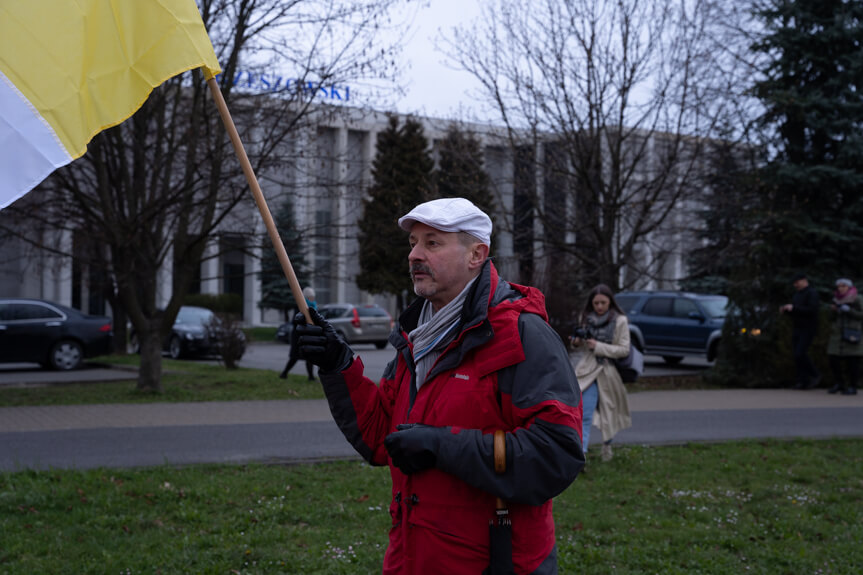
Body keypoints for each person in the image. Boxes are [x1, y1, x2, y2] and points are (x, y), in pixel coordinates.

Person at [293, 197, 584, 574]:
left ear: (476, 254)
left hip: (493, 563)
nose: (414, 254)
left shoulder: (523, 335)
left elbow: (555, 456)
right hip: (412, 559)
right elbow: (383, 438)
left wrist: (441, 444)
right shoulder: (417, 335)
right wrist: (338, 364)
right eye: (413, 242)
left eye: (432, 243)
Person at [571, 284, 632, 462]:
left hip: (609, 371)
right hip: (587, 371)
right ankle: (581, 453)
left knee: (610, 413)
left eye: (603, 303)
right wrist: (576, 342)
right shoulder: (585, 318)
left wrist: (598, 346)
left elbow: (624, 349)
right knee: (585, 413)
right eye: (596, 303)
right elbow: (580, 345)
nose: (599, 306)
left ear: (610, 302)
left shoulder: (620, 320)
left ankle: (607, 447)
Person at [780, 272, 821, 389]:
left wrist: (794, 308)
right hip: (798, 327)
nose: (795, 285)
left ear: (804, 280)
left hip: (808, 328)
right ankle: (802, 381)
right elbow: (797, 311)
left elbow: (812, 310)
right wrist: (787, 311)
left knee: (800, 353)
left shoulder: (812, 293)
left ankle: (814, 374)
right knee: (797, 355)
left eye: (797, 282)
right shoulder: (798, 294)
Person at [826, 278, 861, 395]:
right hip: (838, 335)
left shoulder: (857, 298)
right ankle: (839, 383)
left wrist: (850, 310)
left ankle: (853, 386)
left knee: (852, 362)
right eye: (839, 286)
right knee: (833, 358)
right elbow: (830, 318)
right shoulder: (836, 299)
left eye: (843, 286)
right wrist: (834, 310)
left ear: (849, 287)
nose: (841, 288)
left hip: (853, 334)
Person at [279, 286, 317, 381]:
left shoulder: (313, 306)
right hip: (299, 336)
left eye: (313, 297)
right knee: (295, 357)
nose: (313, 299)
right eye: (311, 297)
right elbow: (295, 321)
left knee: (309, 357)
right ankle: (284, 374)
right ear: (307, 297)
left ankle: (310, 377)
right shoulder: (300, 306)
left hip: (307, 335)